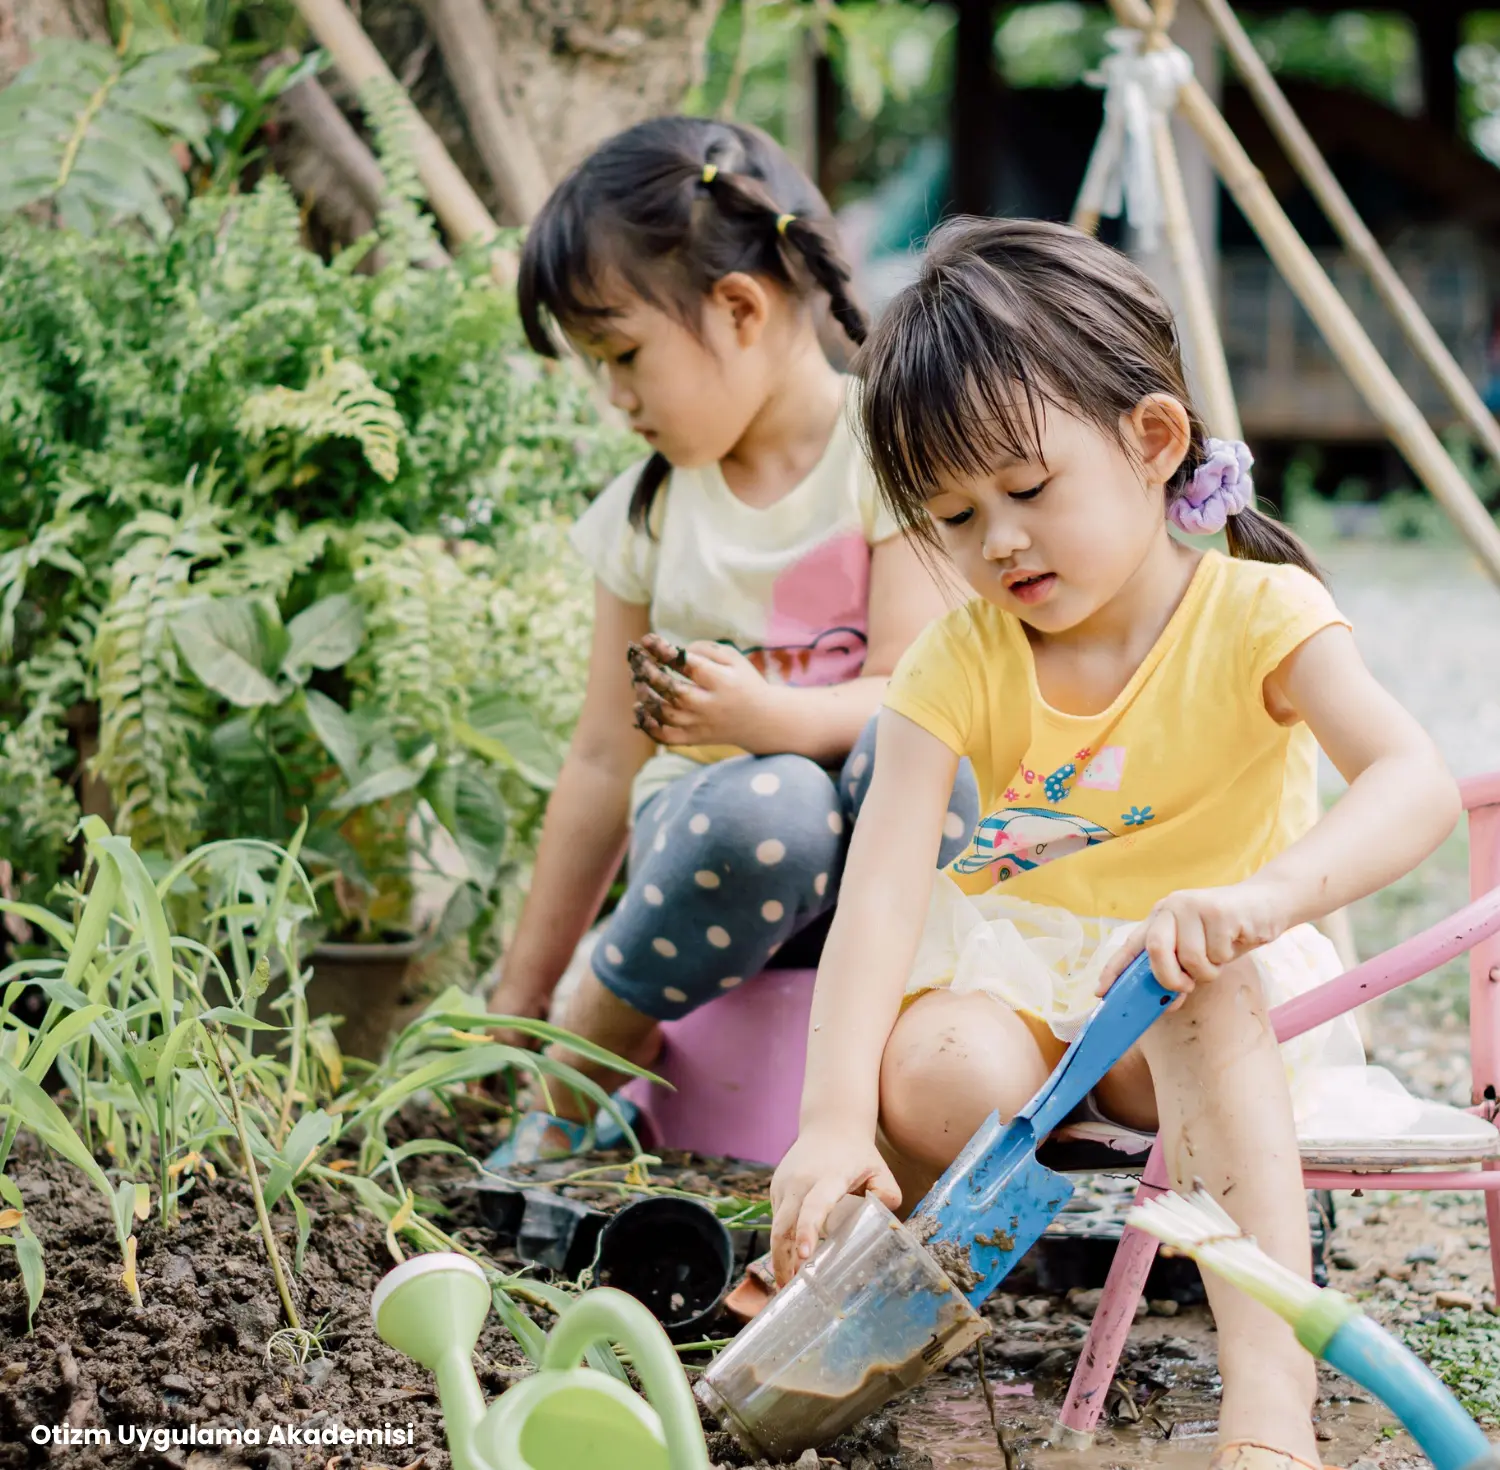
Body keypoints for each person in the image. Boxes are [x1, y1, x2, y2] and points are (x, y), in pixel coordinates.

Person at [769, 219, 1460, 1470]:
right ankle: (886, 1307)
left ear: (1151, 440)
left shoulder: (1259, 613)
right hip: (1034, 987)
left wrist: (1261, 901)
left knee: (1191, 985)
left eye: (1028, 491)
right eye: (954, 516)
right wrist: (829, 1123)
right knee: (928, 1062)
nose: (999, 542)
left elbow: (1413, 783)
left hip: (1218, 977)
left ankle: (1269, 1411)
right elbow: (879, 895)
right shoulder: (960, 657)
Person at [485, 116, 978, 1164]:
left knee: (922, 757)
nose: (616, 399)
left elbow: (913, 687)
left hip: (880, 865)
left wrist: (767, 715)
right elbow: (603, 758)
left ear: (741, 308)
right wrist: (522, 993)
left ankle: (904, 1103)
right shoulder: (652, 510)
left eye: (625, 357)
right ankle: (579, 1062)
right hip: (713, 856)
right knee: (775, 809)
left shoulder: (890, 458)